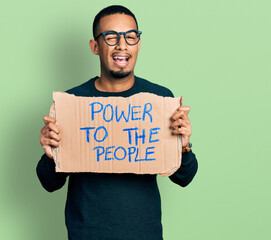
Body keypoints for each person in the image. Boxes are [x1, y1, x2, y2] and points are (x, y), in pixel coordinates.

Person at [36, 5, 198, 240]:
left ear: (138, 45)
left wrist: (183, 145)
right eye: (111, 37)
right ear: (95, 46)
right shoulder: (72, 102)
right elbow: (49, 182)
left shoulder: (159, 99)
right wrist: (51, 153)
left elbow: (184, 177)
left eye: (131, 37)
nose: (122, 45)